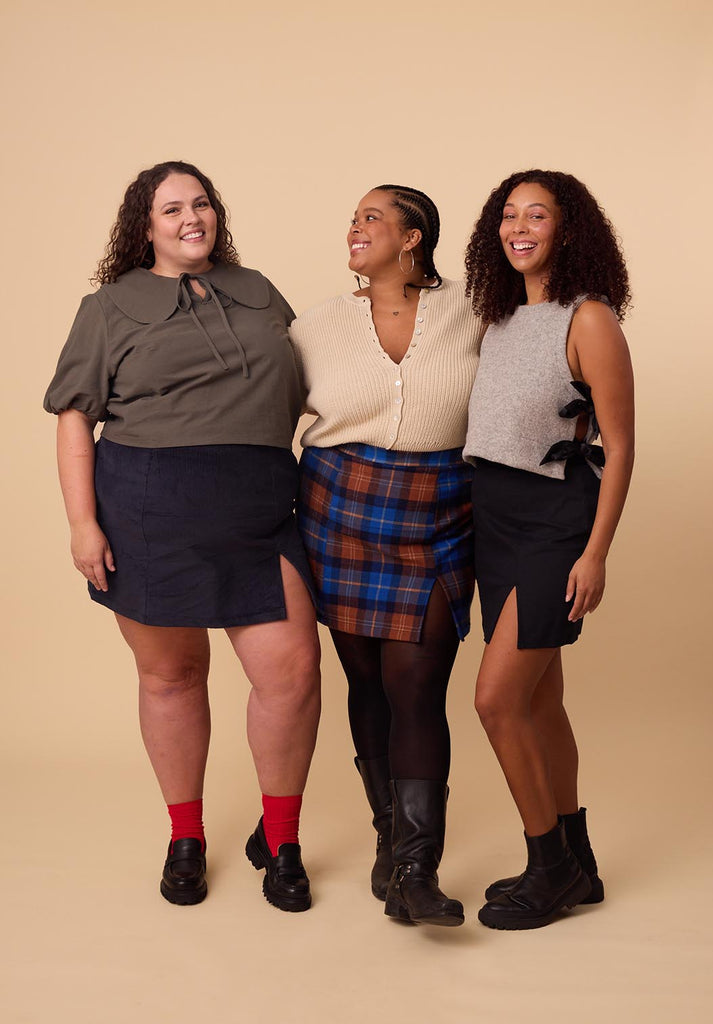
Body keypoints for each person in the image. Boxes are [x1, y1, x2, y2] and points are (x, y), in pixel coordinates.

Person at [44, 161, 321, 912]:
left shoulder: (260, 291)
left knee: (291, 674)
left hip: (258, 506)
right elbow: (76, 417)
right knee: (170, 677)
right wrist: (82, 523)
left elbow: (313, 385)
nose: (191, 217)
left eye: (201, 203)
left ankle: (282, 839)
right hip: (146, 508)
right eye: (172, 209)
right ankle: (186, 838)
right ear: (146, 227)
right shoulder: (108, 308)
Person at [289, 184, 484, 926]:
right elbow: (269, 413)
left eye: (370, 217)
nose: (353, 228)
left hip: (438, 512)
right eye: (352, 218)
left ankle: (414, 868)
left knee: (417, 683)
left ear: (412, 237)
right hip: (338, 510)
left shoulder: (476, 309)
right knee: (366, 680)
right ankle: (388, 832)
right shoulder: (313, 327)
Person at [463, 169, 634, 929]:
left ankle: (547, 865)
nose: (518, 226)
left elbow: (621, 445)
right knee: (539, 698)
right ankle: (579, 864)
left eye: (537, 214)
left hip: (552, 520)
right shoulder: (497, 317)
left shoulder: (587, 318)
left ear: (569, 230)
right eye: (508, 214)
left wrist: (594, 551)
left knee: (495, 700)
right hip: (490, 518)